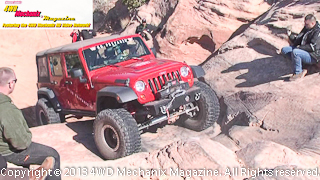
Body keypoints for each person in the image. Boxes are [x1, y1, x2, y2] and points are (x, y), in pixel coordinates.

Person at [0, 67, 61, 180]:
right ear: (10, 84)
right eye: (15, 81)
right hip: (7, 153)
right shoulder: (8, 110)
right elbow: (21, 143)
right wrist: (28, 135)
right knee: (53, 155)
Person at [281, 14, 320, 81]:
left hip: (313, 55)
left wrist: (300, 48)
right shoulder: (307, 28)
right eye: (305, 24)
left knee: (296, 52)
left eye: (307, 24)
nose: (305, 25)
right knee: (285, 50)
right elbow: (298, 39)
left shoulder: (317, 31)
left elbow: (313, 47)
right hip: (303, 51)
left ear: (313, 23)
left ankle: (298, 73)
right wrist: (290, 35)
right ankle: (303, 65)